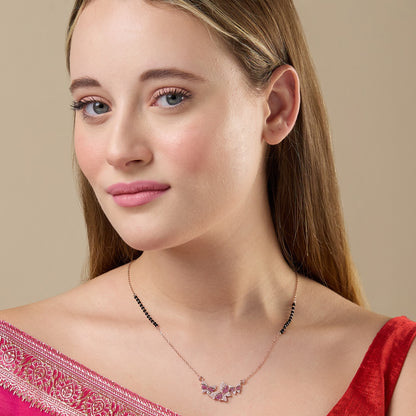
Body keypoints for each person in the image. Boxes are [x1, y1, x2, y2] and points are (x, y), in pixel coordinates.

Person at [0, 0, 415, 415]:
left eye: (170, 97)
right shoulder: (9, 365)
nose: (120, 150)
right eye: (95, 105)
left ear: (276, 107)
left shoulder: (396, 375)